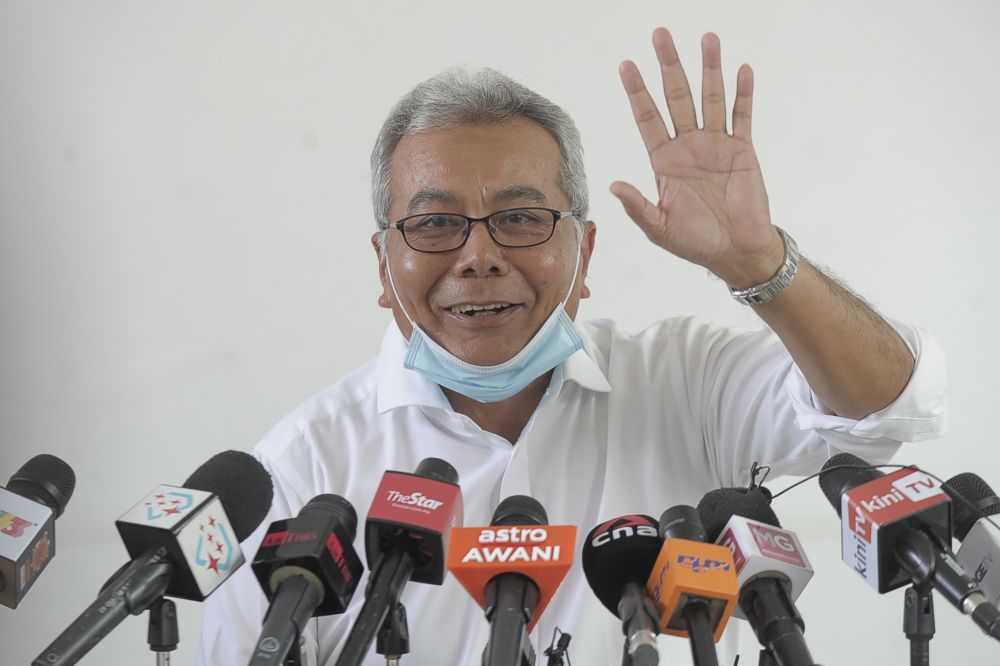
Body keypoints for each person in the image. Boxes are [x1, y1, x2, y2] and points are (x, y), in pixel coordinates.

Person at [198, 28, 946, 665]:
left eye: (521, 218)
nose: (478, 257)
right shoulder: (301, 472)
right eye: (434, 224)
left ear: (585, 254)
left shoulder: (686, 383)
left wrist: (759, 263)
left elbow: (891, 405)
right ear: (383, 265)